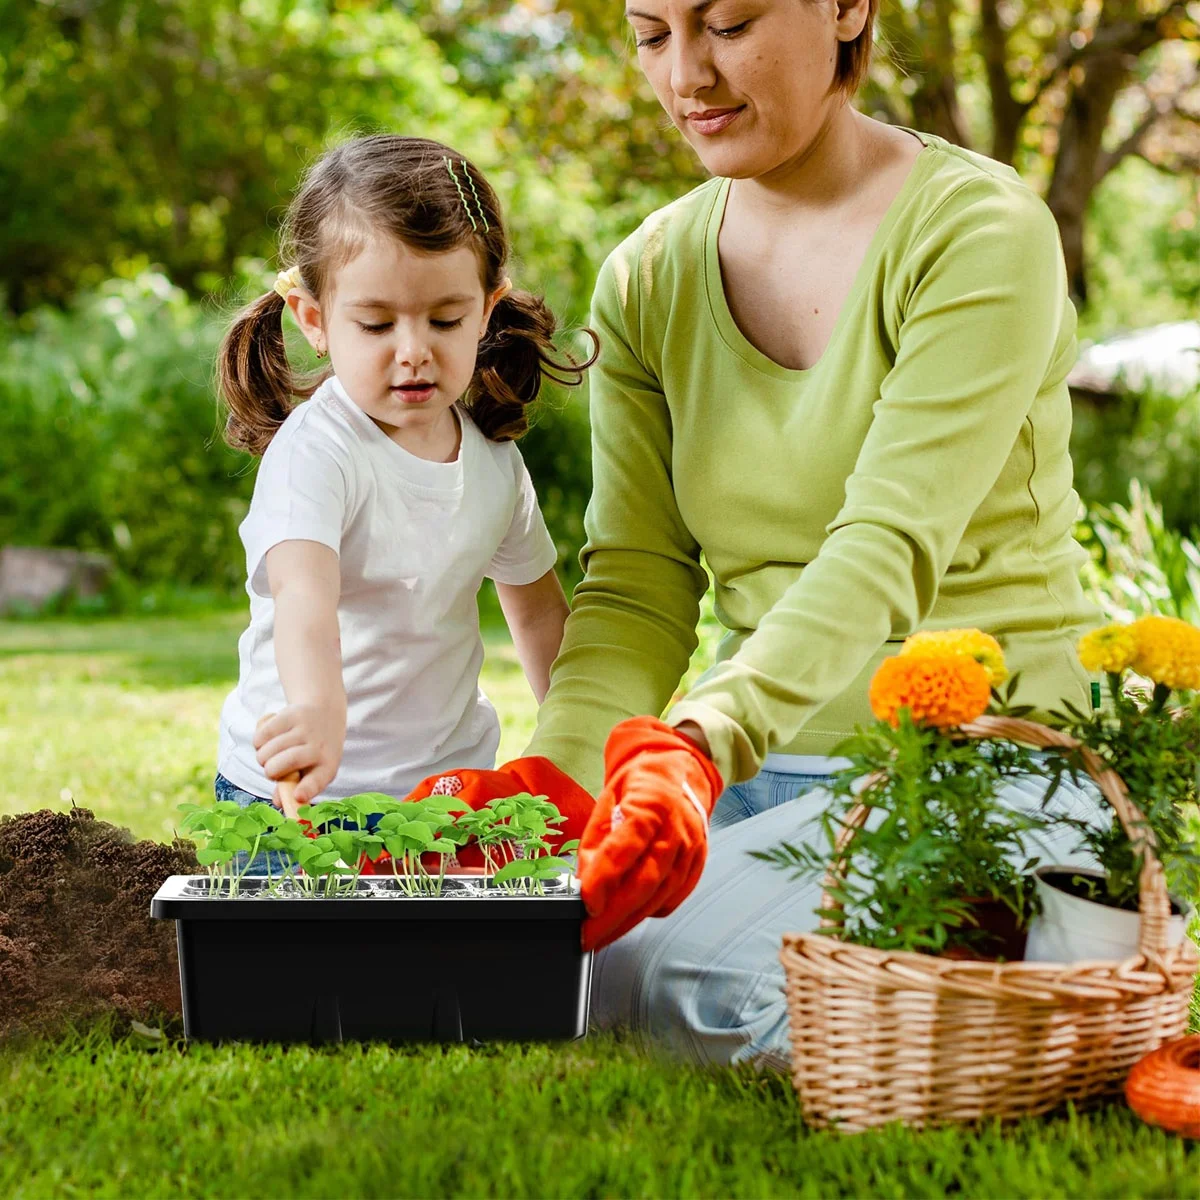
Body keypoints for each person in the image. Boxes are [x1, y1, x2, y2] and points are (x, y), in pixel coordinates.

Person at [407, 0, 1102, 1066]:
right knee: (539, 940)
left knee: (651, 973)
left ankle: (1017, 980)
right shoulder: (649, 278)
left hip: (985, 772)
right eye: (651, 34)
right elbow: (639, 583)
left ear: (846, 9)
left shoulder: (978, 232)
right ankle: (959, 992)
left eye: (726, 22)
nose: (688, 74)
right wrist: (561, 778)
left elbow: (885, 544)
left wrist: (695, 746)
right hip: (753, 781)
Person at [212, 134, 595, 856]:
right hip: (299, 799)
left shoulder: (494, 463)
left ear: (486, 311)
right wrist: (319, 710)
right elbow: (304, 596)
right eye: (378, 323)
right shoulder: (317, 452)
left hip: (444, 799)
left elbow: (540, 613)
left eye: (444, 320)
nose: (413, 349)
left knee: (436, 969)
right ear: (316, 320)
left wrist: (588, 743)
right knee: (304, 971)